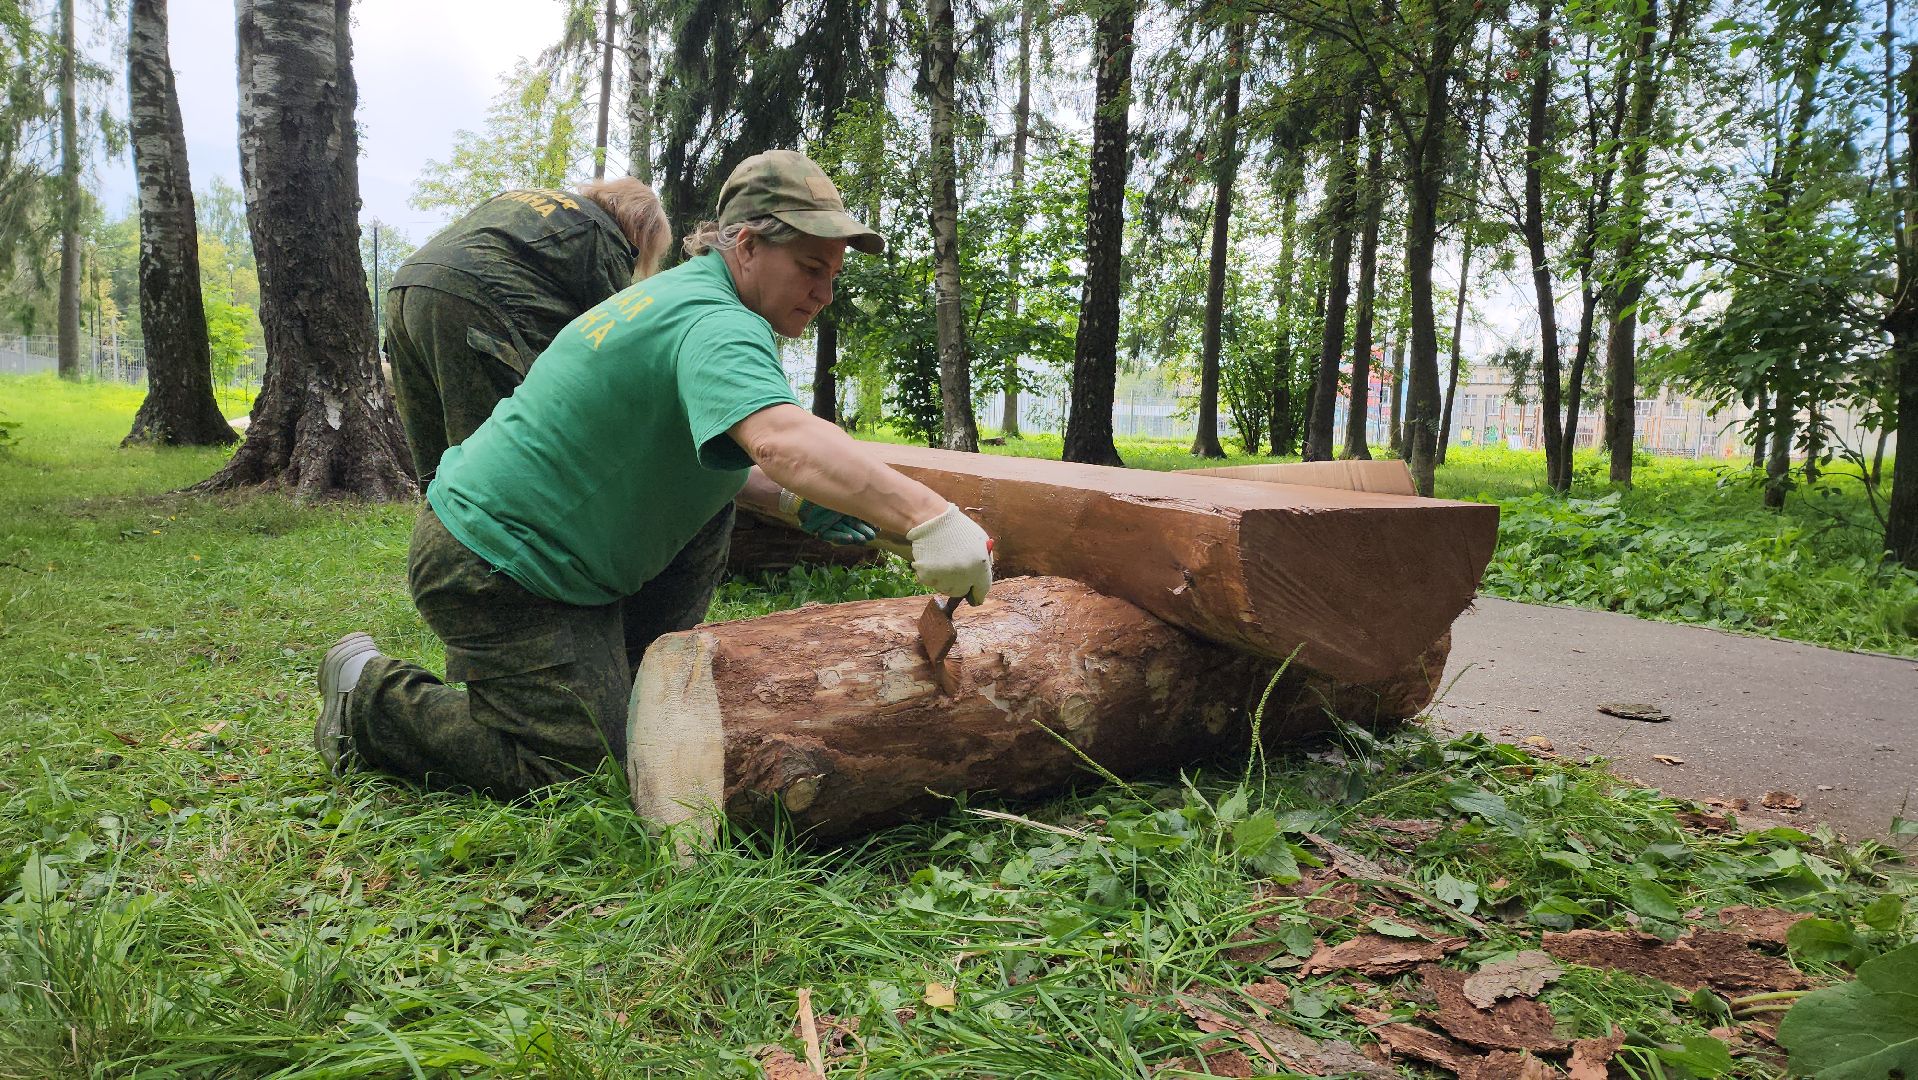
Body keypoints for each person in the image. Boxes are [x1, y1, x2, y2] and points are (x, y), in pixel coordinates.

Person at [314, 150, 994, 798]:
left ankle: (617, 675)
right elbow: (780, 436)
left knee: (715, 506)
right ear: (748, 246)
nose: (823, 293)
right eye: (810, 267)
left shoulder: (684, 295)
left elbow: (731, 454)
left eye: (833, 276)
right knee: (574, 767)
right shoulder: (716, 320)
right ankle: (365, 697)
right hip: (498, 566)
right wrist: (927, 517)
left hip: (530, 552)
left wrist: (799, 503)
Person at [384, 178, 672, 482]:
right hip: (470, 303)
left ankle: (437, 526)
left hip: (405, 289)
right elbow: (609, 343)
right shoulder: (604, 233)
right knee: (494, 463)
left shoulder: (526, 198)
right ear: (641, 227)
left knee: (437, 460)